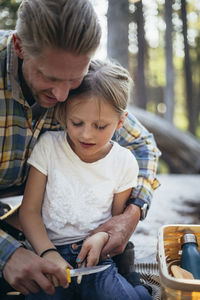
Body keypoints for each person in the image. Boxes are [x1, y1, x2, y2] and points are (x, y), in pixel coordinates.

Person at [0, 0, 160, 296]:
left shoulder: (80, 74)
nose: (62, 96)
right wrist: (6, 253)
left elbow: (141, 144)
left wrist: (131, 214)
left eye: (74, 80)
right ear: (20, 47)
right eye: (50, 78)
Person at [19, 59, 152, 300]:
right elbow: (29, 211)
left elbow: (116, 220)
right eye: (76, 122)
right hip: (48, 254)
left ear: (121, 122)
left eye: (100, 126)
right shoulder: (49, 147)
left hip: (97, 259)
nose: (86, 134)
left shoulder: (124, 162)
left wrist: (102, 237)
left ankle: (136, 288)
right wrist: (48, 253)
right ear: (64, 113)